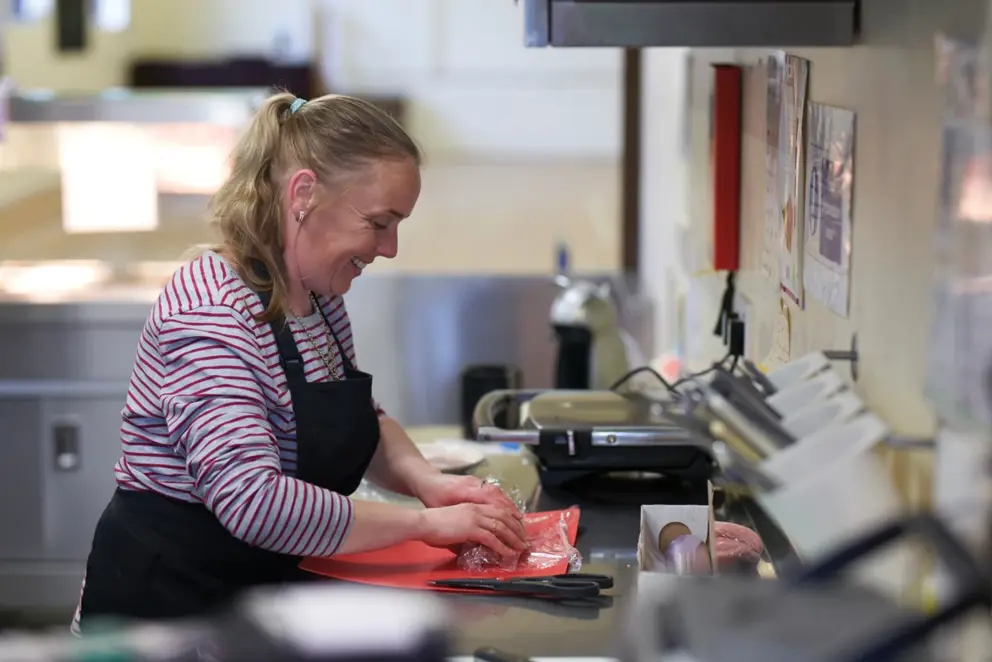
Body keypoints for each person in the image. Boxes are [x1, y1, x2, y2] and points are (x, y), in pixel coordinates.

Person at [72, 92, 528, 634]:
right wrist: (424, 523)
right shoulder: (210, 312)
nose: (390, 248)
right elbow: (253, 500)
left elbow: (365, 418)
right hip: (169, 606)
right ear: (304, 193)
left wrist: (429, 481)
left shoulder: (317, 297)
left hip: (262, 590)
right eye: (379, 222)